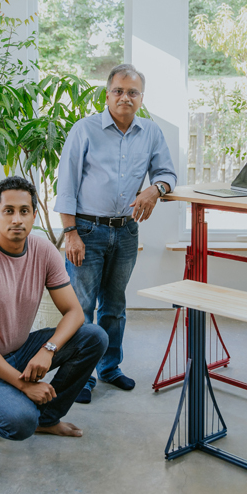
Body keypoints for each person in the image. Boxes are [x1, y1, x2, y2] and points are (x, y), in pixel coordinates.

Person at [0, 176, 107, 443]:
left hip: (15, 352)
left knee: (94, 337)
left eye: (24, 211)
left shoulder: (43, 251)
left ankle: (46, 419)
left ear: (34, 216)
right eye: (9, 211)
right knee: (19, 422)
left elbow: (75, 312)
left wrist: (48, 349)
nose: (17, 219)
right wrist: (23, 386)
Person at [55, 64, 177, 404]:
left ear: (141, 98)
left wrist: (156, 189)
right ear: (107, 94)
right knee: (82, 307)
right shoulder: (85, 130)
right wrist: (70, 233)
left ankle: (109, 368)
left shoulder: (150, 132)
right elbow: (66, 186)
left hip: (125, 232)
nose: (125, 97)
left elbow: (167, 173)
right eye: (119, 91)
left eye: (132, 92)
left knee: (115, 306)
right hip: (87, 230)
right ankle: (81, 376)